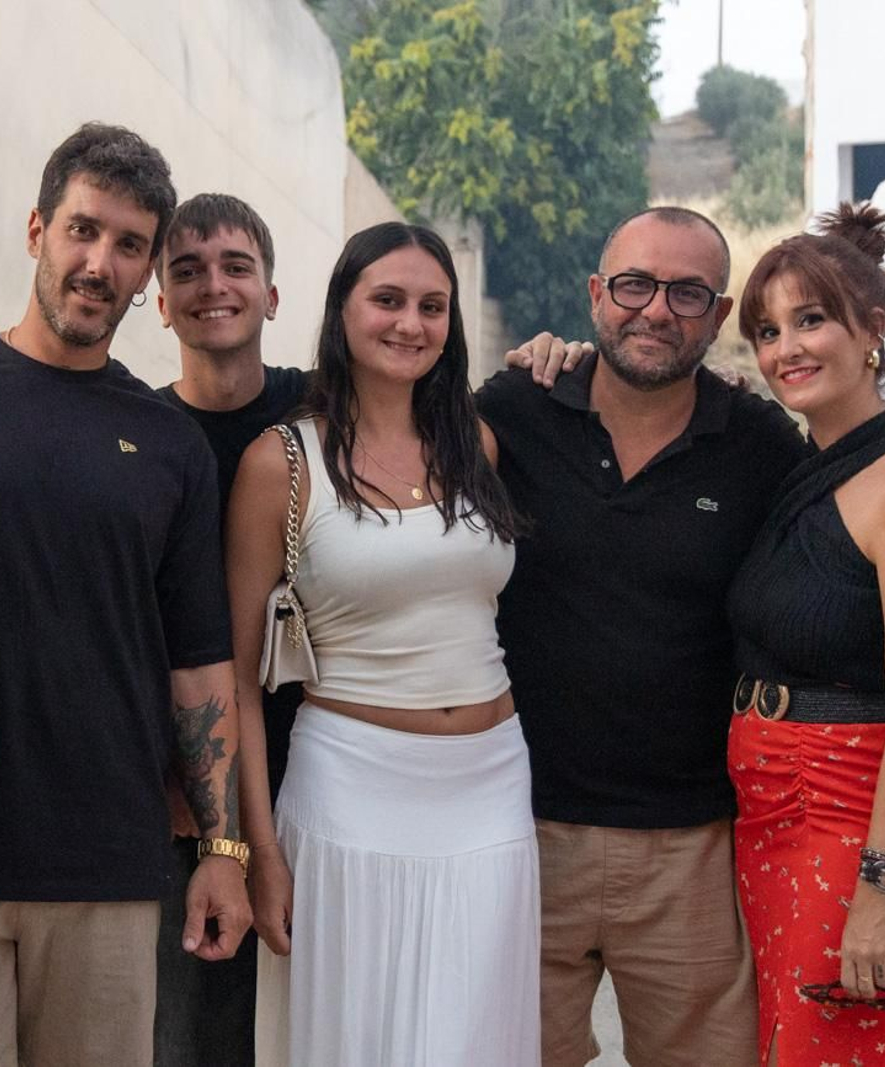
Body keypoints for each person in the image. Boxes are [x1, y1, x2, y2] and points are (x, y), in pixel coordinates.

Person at [482, 205, 885, 1066]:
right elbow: (395, 482)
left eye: (688, 293)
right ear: (596, 295)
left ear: (715, 318)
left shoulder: (764, 446)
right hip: (523, 837)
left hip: (696, 850)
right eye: (635, 285)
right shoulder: (514, 408)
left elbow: (869, 558)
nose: (656, 310)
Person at [0, 124, 250, 1067]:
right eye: (82, 230)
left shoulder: (169, 443)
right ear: (36, 230)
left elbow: (198, 663)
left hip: (107, 865)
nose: (99, 263)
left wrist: (220, 852)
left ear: (149, 270)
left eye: (129, 244)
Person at [232, 222, 541, 1066]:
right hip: (350, 786)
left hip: (489, 784)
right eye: (389, 300)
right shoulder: (282, 463)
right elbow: (237, 682)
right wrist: (258, 849)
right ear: (342, 312)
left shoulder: (474, 443)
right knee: (357, 1038)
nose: (412, 323)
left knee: (471, 1041)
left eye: (432, 306)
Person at [726, 203, 885, 1064]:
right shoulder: (811, 466)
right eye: (767, 329)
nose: (785, 347)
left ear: (873, 330)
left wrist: (881, 888)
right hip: (770, 806)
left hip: (852, 811)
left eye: (810, 319)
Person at [150, 193, 303, 1067]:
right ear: (161, 300)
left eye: (237, 265)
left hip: (323, 784)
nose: (214, 285)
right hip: (190, 805)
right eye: (187, 269)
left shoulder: (328, 411)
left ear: (273, 294)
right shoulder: (132, 427)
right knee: (199, 1041)